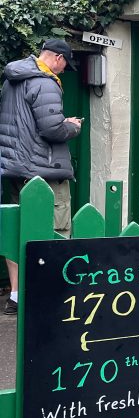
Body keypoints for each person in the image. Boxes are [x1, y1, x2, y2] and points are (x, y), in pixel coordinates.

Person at [0, 39, 82, 315]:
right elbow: (52, 130)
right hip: (43, 172)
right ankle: (50, 295)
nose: (62, 71)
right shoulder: (45, 82)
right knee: (57, 229)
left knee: (16, 232)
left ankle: (16, 296)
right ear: (57, 58)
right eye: (64, 65)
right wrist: (72, 126)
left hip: (14, 168)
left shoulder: (12, 79)